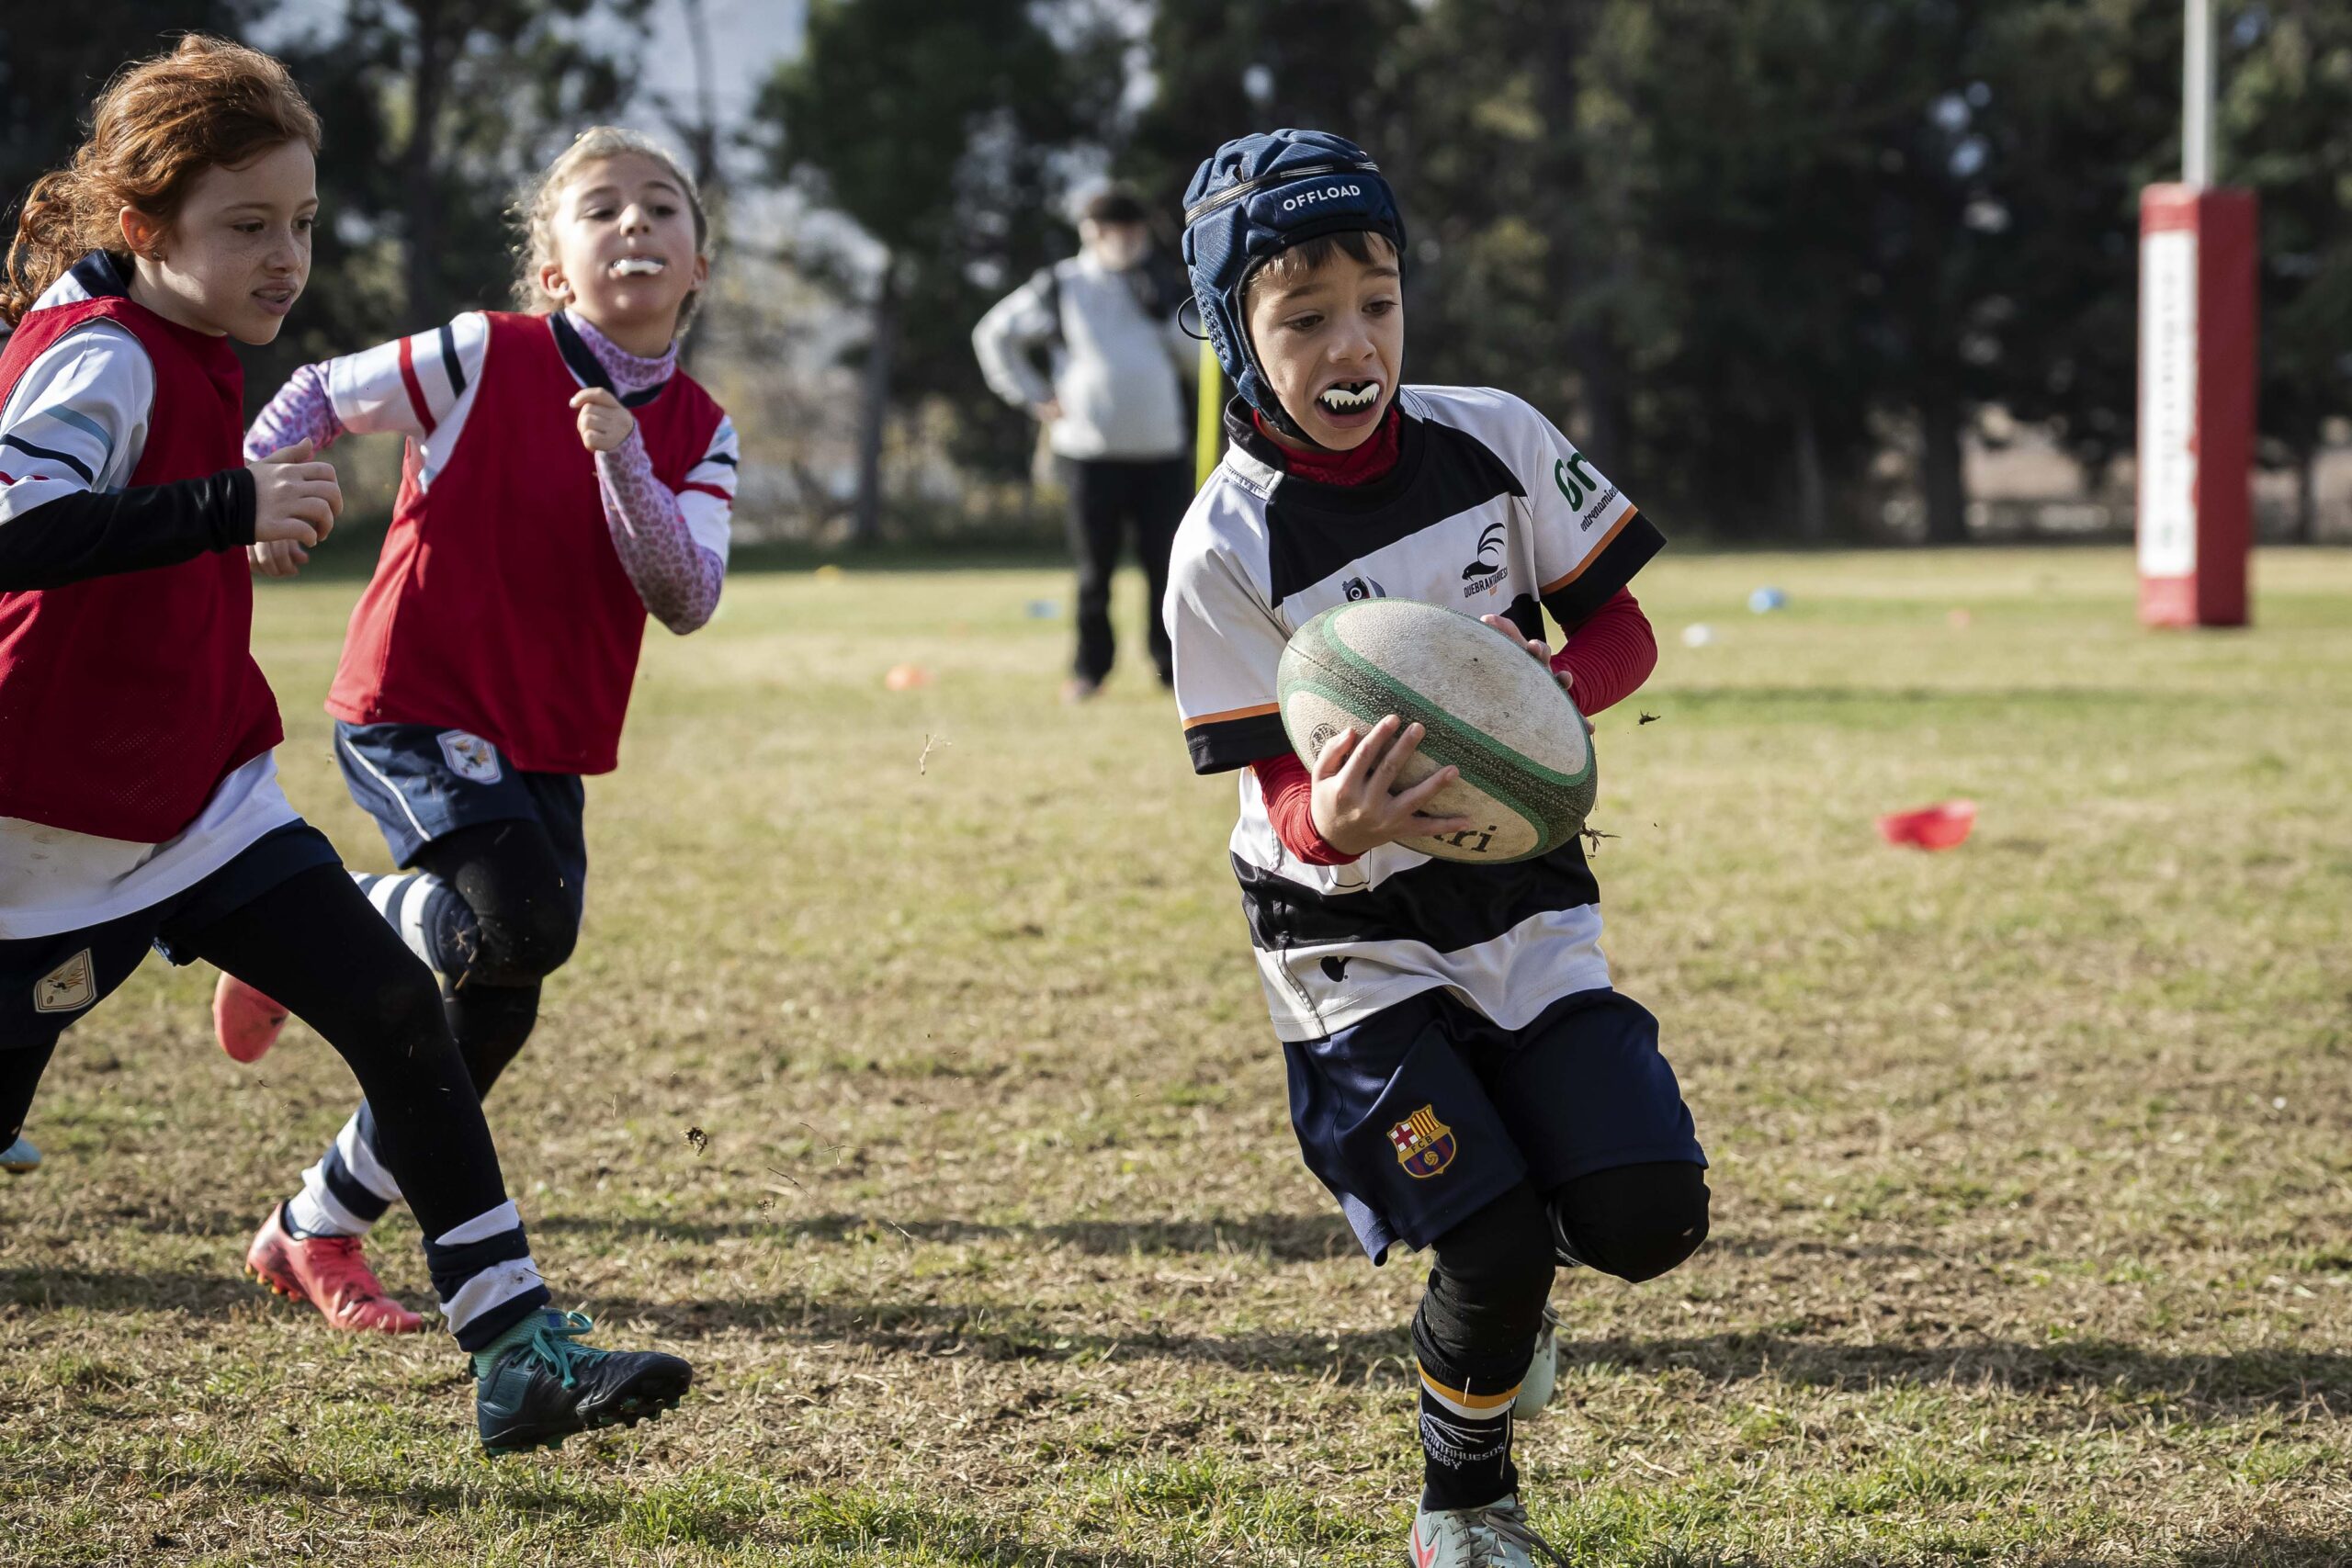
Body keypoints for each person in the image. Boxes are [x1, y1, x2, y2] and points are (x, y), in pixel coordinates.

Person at [0, 36, 689, 1453]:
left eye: (301, 223)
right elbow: (18, 526)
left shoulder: (182, 333)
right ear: (144, 230)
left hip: (201, 802)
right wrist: (227, 506)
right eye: (246, 226)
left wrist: (231, 502)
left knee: (394, 1009)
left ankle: (517, 1350)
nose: (285, 258)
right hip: (43, 834)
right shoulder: (99, 355)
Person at [1163, 130, 1709, 1566]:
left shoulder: (1497, 437)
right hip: (1346, 942)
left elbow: (1623, 626)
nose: (1354, 345)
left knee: (1646, 1214)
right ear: (1234, 332)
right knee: (1493, 1233)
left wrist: (1532, 696)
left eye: (1379, 301)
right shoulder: (1225, 547)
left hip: (1523, 899)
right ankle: (1461, 1504)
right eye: (1303, 319)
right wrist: (1334, 820)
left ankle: (1508, 1318)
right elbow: (1279, 798)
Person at [213, 127, 739, 1336]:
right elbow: (312, 394)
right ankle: (296, 918)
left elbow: (685, 594)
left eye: (663, 207)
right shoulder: (476, 352)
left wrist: (621, 462)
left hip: (548, 735)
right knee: (520, 924)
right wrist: (249, 498)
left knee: (498, 995)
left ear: (700, 264)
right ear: (552, 267)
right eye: (601, 209)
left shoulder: (700, 428)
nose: (637, 224)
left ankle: (316, 1221)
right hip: (416, 694)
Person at [973, 186, 1193, 701]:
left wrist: (1170, 314)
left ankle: (1171, 668)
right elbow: (992, 335)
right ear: (1092, 233)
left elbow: (1198, 359)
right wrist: (1032, 395)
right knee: (1095, 571)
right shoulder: (1061, 285)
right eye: (1119, 230)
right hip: (1088, 452)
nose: (1130, 240)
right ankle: (1090, 671)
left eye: (1137, 231)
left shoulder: (1160, 284)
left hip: (1162, 450)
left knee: (1169, 567)